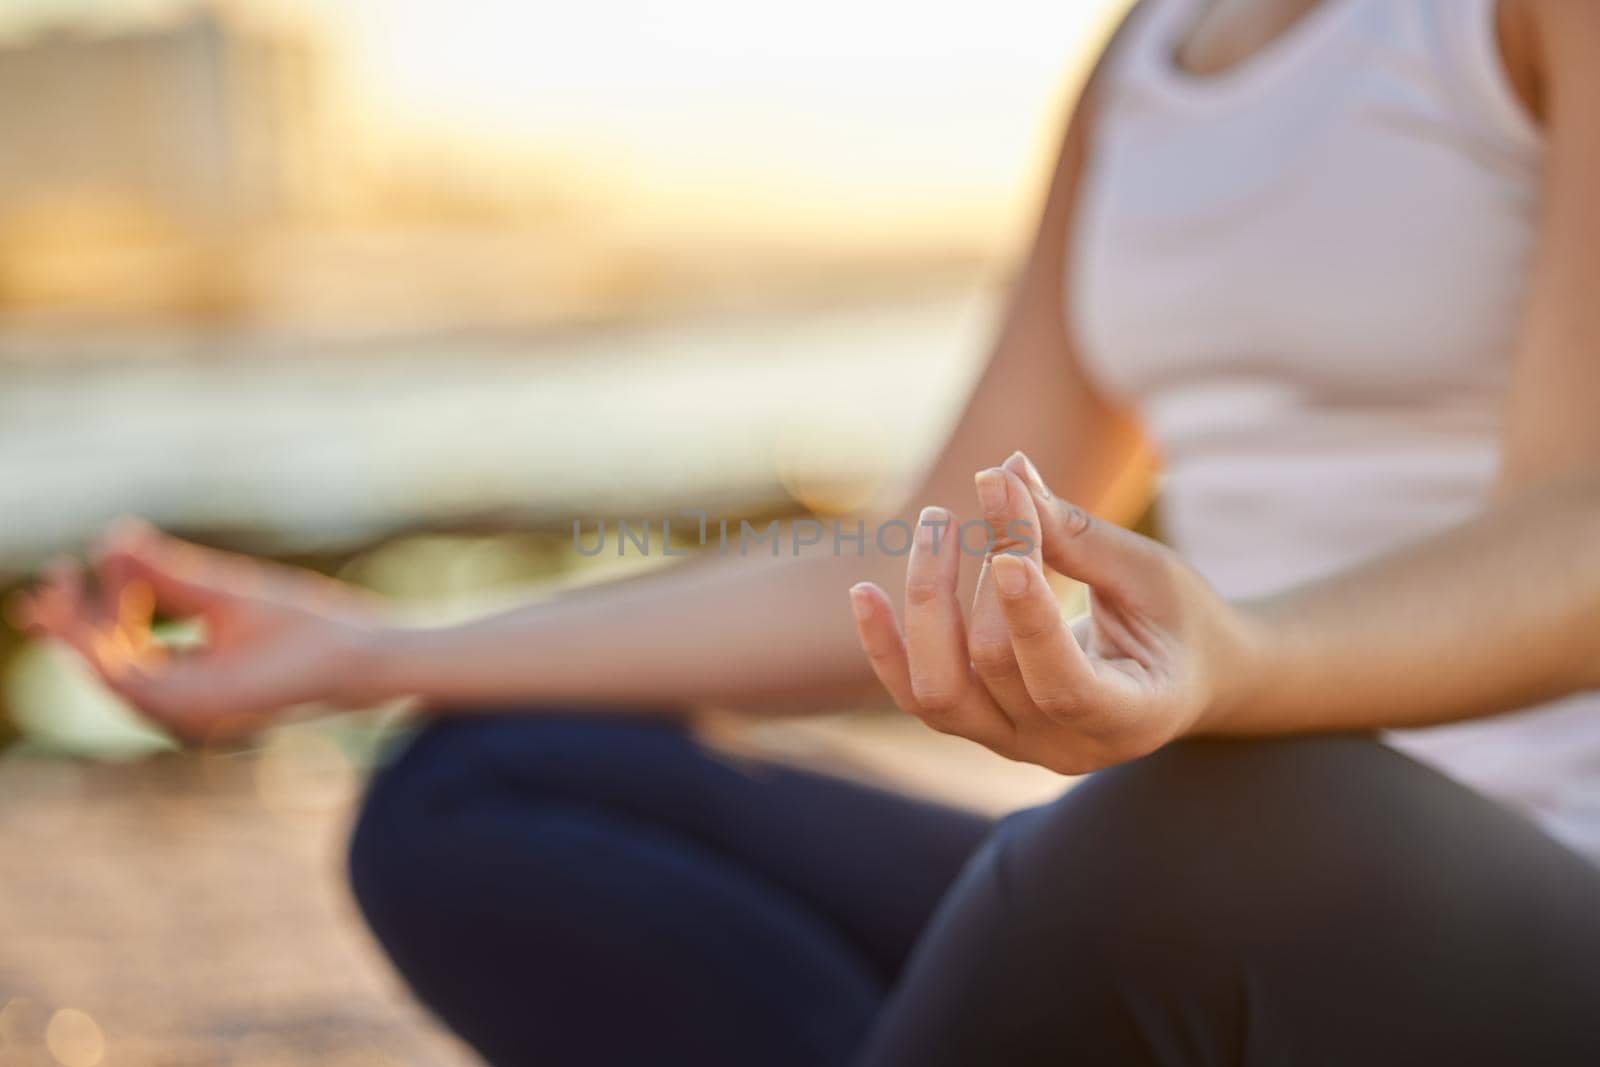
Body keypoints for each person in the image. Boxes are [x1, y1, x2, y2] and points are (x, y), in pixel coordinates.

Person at [18, 0, 1600, 1062]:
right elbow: (926, 543)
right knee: (478, 784)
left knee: (1199, 825)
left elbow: (1579, 531)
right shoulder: (1145, 59)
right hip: (1191, 859)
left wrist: (1238, 663)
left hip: (1509, 900)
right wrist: (370, 648)